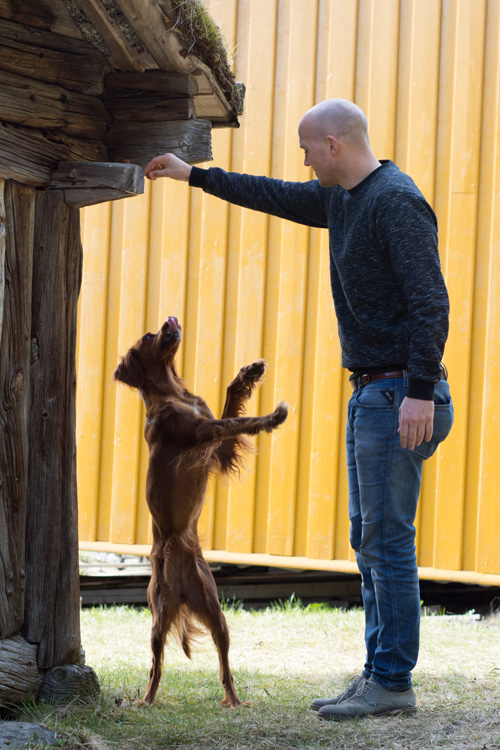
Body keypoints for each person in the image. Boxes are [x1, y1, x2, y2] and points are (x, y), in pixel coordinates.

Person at [144, 98, 454, 720]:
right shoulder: (342, 200)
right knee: (368, 540)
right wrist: (193, 174)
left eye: (307, 147)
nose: (303, 158)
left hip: (401, 394)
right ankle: (379, 672)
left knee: (387, 542)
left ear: (334, 145)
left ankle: (392, 681)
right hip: (374, 393)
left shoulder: (396, 201)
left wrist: (419, 390)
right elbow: (271, 194)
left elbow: (431, 302)